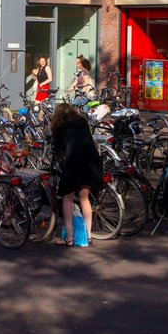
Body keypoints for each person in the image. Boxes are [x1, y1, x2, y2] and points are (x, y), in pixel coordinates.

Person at [50, 103, 104, 246]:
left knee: (67, 198)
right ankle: (89, 235)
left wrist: (63, 167)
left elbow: (59, 153)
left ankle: (69, 237)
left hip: (74, 162)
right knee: (84, 198)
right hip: (92, 160)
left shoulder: (57, 127)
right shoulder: (82, 122)